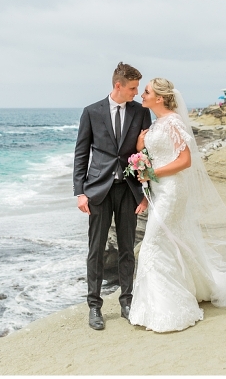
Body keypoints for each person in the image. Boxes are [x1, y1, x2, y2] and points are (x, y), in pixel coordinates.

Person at [127, 78, 226, 333]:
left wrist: (153, 173)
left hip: (172, 191)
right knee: (171, 241)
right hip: (159, 190)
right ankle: (189, 289)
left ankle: (169, 309)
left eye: (146, 92)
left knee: (153, 244)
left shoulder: (173, 122)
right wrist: (140, 149)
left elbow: (185, 161)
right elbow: (155, 155)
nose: (141, 95)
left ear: (159, 98)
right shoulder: (157, 123)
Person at [73, 62, 152, 330]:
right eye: (132, 87)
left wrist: (144, 193)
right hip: (98, 190)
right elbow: (81, 154)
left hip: (128, 191)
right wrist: (80, 192)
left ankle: (126, 302)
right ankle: (94, 306)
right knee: (95, 250)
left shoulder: (141, 112)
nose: (136, 92)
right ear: (118, 85)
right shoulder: (91, 112)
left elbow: (145, 154)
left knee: (127, 249)